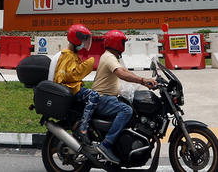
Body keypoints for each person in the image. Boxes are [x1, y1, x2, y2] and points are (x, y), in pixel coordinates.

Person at [91, 29, 158, 165]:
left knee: (130, 106)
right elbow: (121, 73)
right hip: (102, 98)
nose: (123, 45)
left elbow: (125, 71)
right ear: (117, 43)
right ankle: (106, 145)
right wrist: (143, 81)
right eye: (122, 42)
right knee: (127, 110)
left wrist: (147, 80)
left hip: (106, 97)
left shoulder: (111, 56)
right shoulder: (109, 57)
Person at [52, 24, 100, 146]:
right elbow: (71, 75)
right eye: (83, 40)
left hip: (72, 88)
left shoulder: (71, 54)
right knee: (93, 95)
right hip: (70, 89)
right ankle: (83, 128)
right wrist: (88, 65)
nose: (85, 43)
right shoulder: (67, 55)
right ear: (76, 39)